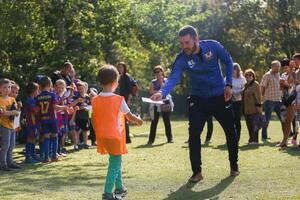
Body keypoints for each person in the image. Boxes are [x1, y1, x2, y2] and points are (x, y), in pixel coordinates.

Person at [151, 25, 239, 183]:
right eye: (182, 43)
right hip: (198, 99)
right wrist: (162, 92)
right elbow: (173, 78)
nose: (184, 47)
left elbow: (228, 61)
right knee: (193, 135)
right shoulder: (182, 58)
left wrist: (229, 84)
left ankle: (234, 166)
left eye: (187, 43)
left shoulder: (214, 46)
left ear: (196, 39)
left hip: (220, 96)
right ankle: (197, 172)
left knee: (230, 132)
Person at [92, 65, 143, 200]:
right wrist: (139, 120)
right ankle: (107, 193)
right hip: (114, 136)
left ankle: (120, 187)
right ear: (116, 81)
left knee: (115, 160)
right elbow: (130, 116)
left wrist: (98, 132)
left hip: (102, 136)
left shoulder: (95, 99)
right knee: (114, 163)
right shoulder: (119, 99)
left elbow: (93, 119)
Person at [36, 76, 67, 162]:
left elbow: (37, 110)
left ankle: (46, 157)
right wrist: (64, 107)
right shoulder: (52, 95)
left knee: (46, 137)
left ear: (40, 86)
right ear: (50, 85)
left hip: (43, 119)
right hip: (52, 119)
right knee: (54, 136)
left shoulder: (38, 97)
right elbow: (55, 107)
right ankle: (54, 156)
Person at [148, 65, 173, 144]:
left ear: (162, 72)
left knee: (166, 121)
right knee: (154, 121)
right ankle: (151, 140)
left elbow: (165, 91)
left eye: (159, 71)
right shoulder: (153, 82)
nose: (157, 73)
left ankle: (170, 138)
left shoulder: (166, 80)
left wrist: (161, 82)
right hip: (156, 103)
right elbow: (151, 91)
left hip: (165, 102)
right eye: (156, 72)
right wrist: (158, 92)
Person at [0, 78, 21, 171]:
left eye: (8, 87)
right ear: (0, 89)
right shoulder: (0, 100)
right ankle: (3, 164)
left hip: (12, 125)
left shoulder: (12, 99)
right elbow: (4, 113)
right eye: (4, 87)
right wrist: (13, 112)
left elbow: (16, 111)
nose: (7, 89)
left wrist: (17, 124)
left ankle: (10, 162)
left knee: (12, 145)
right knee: (5, 146)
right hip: (4, 125)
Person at [260, 60, 283, 141]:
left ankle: (287, 135)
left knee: (283, 118)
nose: (278, 68)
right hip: (269, 100)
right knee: (267, 119)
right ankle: (264, 136)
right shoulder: (267, 75)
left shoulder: (279, 74)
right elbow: (262, 86)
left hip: (278, 100)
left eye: (279, 66)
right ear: (272, 66)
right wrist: (262, 97)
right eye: (276, 66)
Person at [117, 62, 138, 144]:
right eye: (118, 67)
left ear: (124, 68)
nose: (120, 69)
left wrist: (129, 100)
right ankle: (121, 137)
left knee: (125, 118)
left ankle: (127, 139)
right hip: (118, 100)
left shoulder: (127, 77)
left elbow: (131, 89)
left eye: (121, 67)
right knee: (120, 119)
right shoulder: (117, 77)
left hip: (125, 100)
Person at [277, 58, 295, 147]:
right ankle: (285, 141)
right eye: (283, 67)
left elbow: (293, 86)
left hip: (293, 100)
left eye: (286, 67)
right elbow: (281, 88)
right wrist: (281, 84)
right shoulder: (283, 75)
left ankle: (289, 141)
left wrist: (285, 84)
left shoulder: (294, 74)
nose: (284, 69)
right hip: (284, 100)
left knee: (290, 120)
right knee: (285, 121)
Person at [242, 69, 262, 144]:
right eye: (246, 75)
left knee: (255, 125)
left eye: (250, 75)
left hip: (254, 109)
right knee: (249, 125)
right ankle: (251, 139)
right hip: (246, 109)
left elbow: (258, 97)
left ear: (253, 76)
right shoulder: (245, 85)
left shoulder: (255, 84)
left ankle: (255, 140)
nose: (248, 77)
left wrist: (259, 108)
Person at [24, 82, 40, 163]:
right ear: (33, 91)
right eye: (38, 90)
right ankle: (28, 156)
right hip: (31, 122)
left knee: (33, 138)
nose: (39, 92)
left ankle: (33, 154)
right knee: (30, 139)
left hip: (34, 122)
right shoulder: (30, 100)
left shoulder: (33, 99)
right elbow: (34, 111)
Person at [73, 81, 91, 149]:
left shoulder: (87, 97)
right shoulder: (77, 97)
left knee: (85, 130)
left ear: (85, 88)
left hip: (85, 116)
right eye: (79, 89)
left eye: (82, 88)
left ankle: (85, 143)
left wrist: (88, 108)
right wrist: (80, 108)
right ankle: (77, 144)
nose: (81, 90)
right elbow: (74, 107)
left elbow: (90, 105)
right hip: (78, 116)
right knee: (77, 130)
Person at [232, 63, 246, 142]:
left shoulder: (242, 79)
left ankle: (237, 138)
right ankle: (230, 137)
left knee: (237, 120)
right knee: (230, 120)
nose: (233, 71)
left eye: (235, 69)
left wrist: (238, 93)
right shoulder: (228, 78)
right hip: (230, 101)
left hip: (239, 101)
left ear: (238, 70)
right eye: (232, 69)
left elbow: (245, 88)